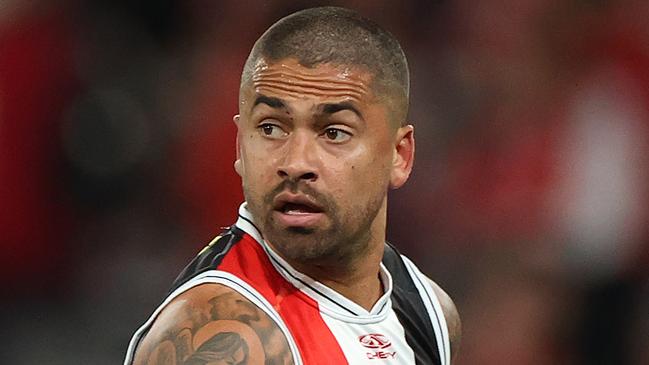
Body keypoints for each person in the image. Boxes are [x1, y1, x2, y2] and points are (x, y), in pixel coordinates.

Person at [124, 6, 461, 365]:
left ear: (399, 155)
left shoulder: (430, 312)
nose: (296, 164)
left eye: (334, 133)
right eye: (271, 128)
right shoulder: (227, 339)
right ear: (240, 146)